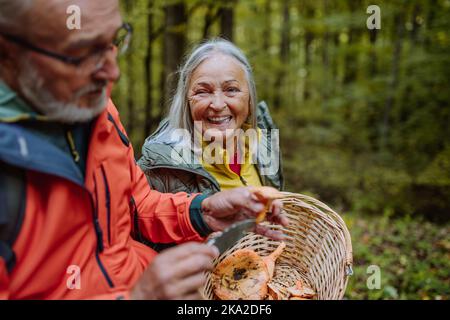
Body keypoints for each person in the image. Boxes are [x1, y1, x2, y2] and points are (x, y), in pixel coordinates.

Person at [0, 0, 288, 299]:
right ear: (9, 53)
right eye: (82, 53)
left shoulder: (99, 112)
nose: (113, 72)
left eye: (114, 41)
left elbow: (137, 204)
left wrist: (201, 211)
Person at [138, 39, 283, 198]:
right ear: (186, 101)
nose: (218, 104)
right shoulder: (158, 169)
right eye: (202, 92)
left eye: (231, 89)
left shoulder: (263, 141)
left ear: (249, 97)